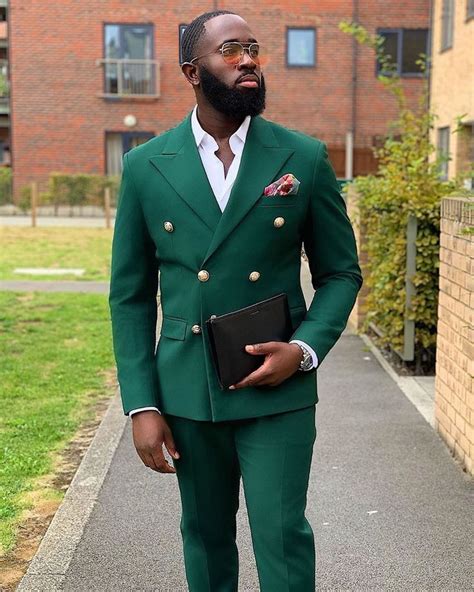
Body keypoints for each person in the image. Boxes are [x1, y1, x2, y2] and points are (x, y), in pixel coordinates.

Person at [109, 10, 362, 592]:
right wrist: (141, 405)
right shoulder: (146, 166)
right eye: (230, 50)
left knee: (282, 534)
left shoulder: (302, 157)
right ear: (192, 71)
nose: (247, 59)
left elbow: (341, 273)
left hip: (279, 386)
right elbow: (129, 297)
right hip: (188, 392)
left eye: (253, 47)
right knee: (204, 535)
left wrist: (303, 349)